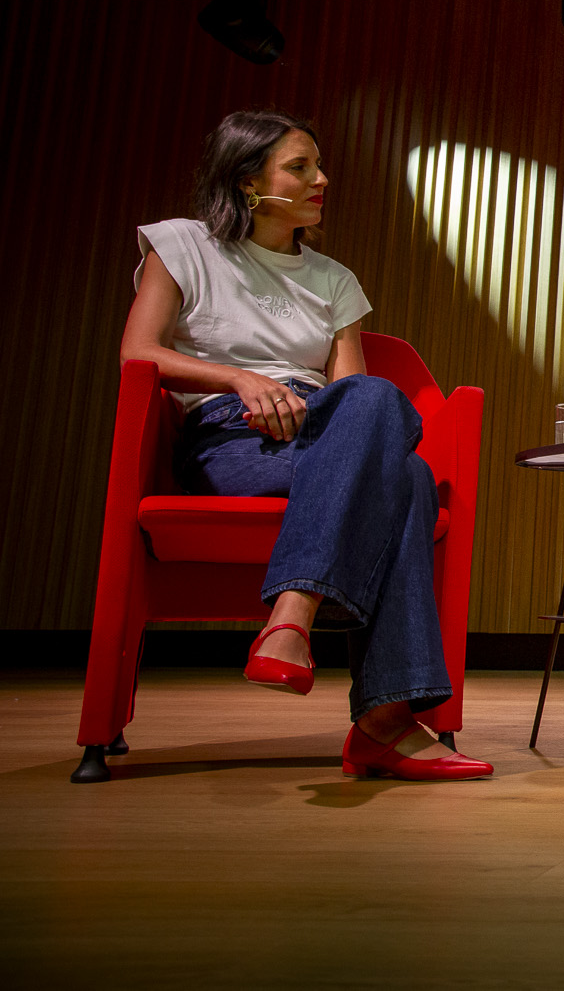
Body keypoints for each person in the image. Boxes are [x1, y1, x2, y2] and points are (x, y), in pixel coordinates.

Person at [121, 111, 491, 781]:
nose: (322, 179)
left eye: (317, 166)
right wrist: (240, 378)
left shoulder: (334, 280)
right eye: (300, 167)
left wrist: (326, 413)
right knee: (404, 479)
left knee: (380, 408)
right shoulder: (182, 246)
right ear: (247, 181)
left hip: (324, 429)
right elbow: (138, 353)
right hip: (231, 436)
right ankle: (384, 722)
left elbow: (357, 398)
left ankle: (293, 612)